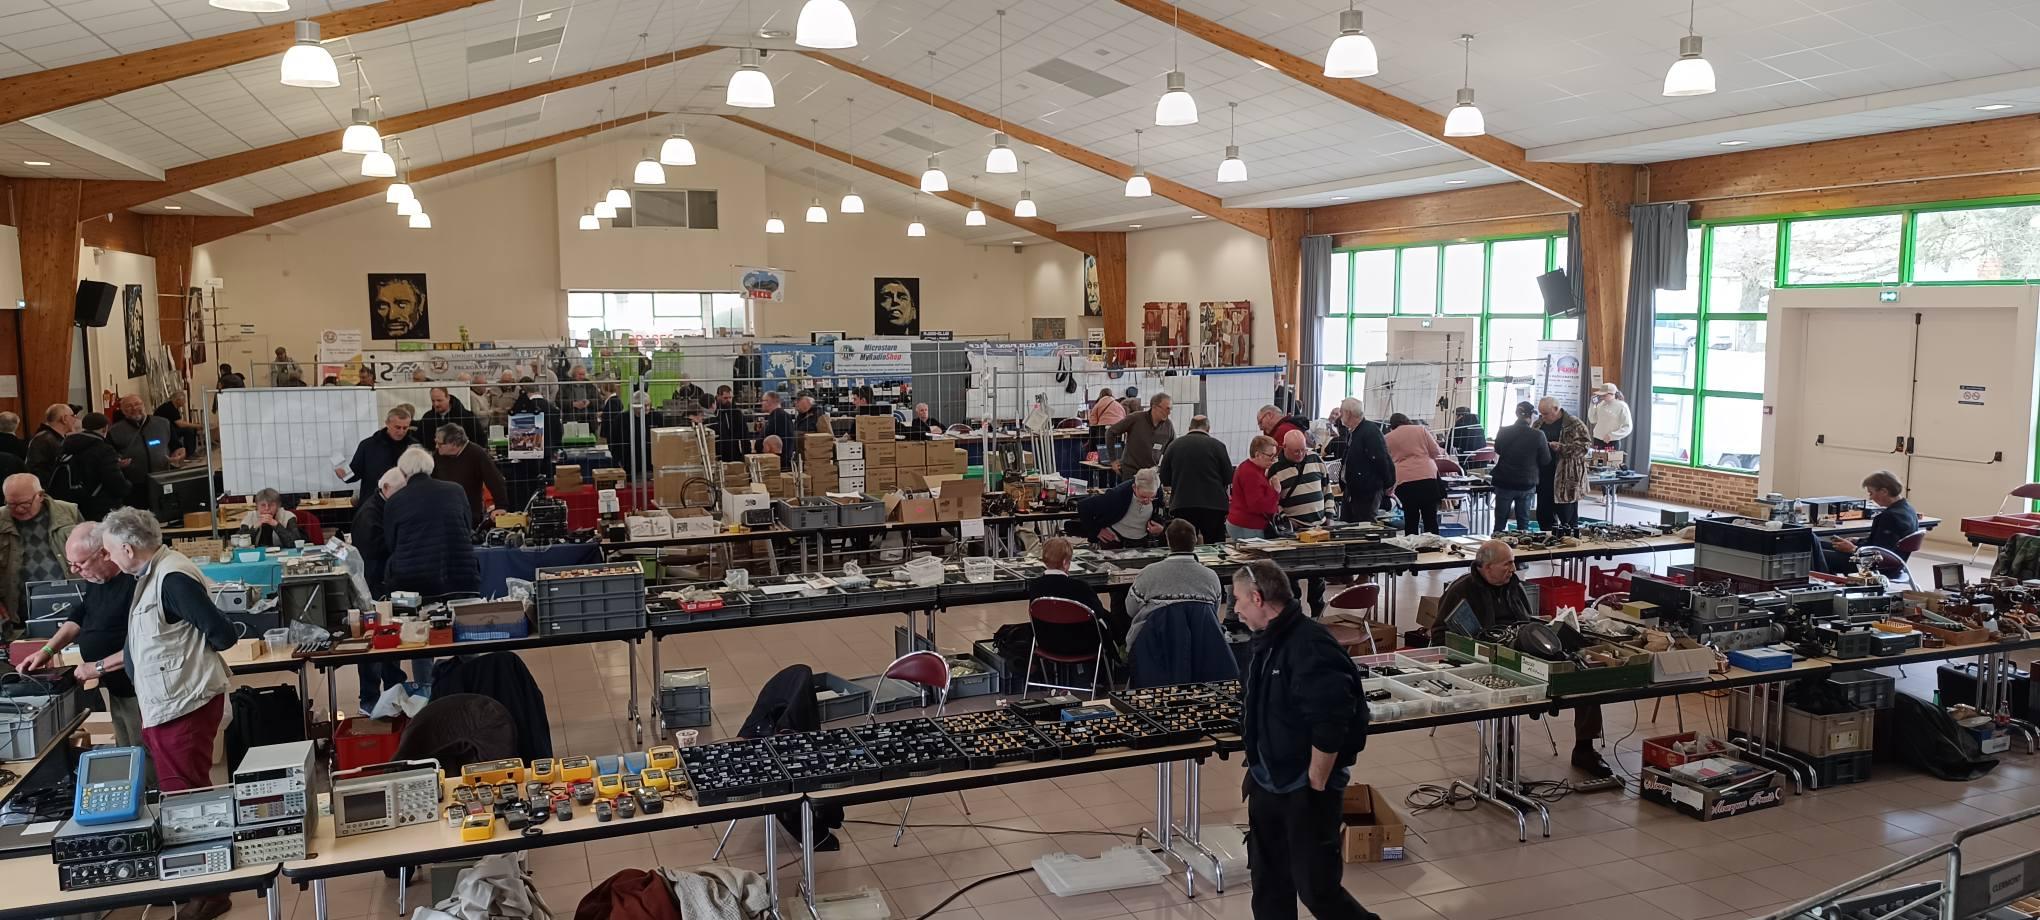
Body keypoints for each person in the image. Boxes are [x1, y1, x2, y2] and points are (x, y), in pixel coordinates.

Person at [97, 507, 240, 920]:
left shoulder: (172, 577)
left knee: (189, 800)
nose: (108, 557)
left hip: (184, 703)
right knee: (183, 795)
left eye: (108, 550)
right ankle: (202, 884)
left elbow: (223, 633)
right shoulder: (151, 573)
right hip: (168, 703)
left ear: (127, 549)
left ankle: (210, 891)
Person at [1232, 559, 1378, 920]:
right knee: (1268, 883)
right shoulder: (1266, 639)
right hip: (1269, 779)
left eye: (1238, 599)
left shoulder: (1309, 645)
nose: (1235, 608)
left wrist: (1315, 781)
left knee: (1317, 889)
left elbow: (1332, 719)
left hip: (1305, 786)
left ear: (1257, 598)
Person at [1435, 541, 1609, 777]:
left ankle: (1585, 748)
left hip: (1523, 647)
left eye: (1513, 563)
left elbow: (1528, 620)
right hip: (1488, 658)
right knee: (1501, 692)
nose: (1513, 569)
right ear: (1487, 567)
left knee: (1583, 675)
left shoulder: (1514, 585)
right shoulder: (1461, 590)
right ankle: (1504, 756)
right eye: (1507, 564)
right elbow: (1439, 634)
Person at [25, 523, 141, 750]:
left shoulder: (135, 583)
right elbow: (80, 615)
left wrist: (97, 667)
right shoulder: (98, 579)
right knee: (127, 751)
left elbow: (142, 645)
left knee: (144, 753)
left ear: (104, 553)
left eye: (80, 563)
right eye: (71, 563)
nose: (74, 571)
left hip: (139, 690)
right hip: (117, 687)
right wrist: (47, 650)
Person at [384, 447, 480, 600]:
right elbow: (467, 526)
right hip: (461, 577)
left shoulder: (395, 501)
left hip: (413, 582)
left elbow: (391, 543)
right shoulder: (456, 491)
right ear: (431, 467)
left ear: (402, 472)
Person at [351, 469, 408, 715]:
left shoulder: (383, 507)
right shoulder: (369, 514)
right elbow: (375, 551)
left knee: (390, 639)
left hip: (383, 584)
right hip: (373, 588)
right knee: (373, 644)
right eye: (400, 492)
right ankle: (369, 700)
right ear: (385, 488)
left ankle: (394, 691)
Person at [0, 474, 82, 633]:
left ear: (40, 495)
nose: (18, 509)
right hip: (16, 610)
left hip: (71, 599)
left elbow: (91, 551)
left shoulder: (68, 512)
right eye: (11, 504)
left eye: (25, 504)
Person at [1125, 519, 1222, 649]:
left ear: (1168, 542)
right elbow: (1213, 613)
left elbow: (1131, 610)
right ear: (1195, 541)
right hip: (1199, 647)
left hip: (1153, 647)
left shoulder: (1148, 573)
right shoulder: (1211, 577)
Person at [1027, 537, 1122, 658]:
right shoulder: (1080, 587)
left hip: (1047, 642)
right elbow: (1098, 613)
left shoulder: (1035, 586)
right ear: (1065, 563)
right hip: (1082, 644)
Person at [1818, 470, 1922, 574]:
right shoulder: (1909, 509)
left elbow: (1881, 554)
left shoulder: (1891, 517)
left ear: (1884, 491)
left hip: (1876, 566)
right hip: (1892, 564)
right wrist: (1858, 540)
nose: (1870, 497)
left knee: (1816, 554)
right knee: (1818, 545)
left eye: (1871, 493)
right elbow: (1884, 542)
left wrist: (1853, 549)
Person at [1156, 415, 1232, 543]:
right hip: (1214, 504)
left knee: (1184, 542)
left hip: (1183, 503)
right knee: (1215, 544)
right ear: (1208, 428)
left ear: (1189, 428)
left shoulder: (1174, 445)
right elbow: (1228, 476)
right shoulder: (1218, 446)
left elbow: (1164, 477)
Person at [108, 394, 184, 509]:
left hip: (162, 479)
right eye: (129, 406)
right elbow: (110, 456)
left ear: (143, 405)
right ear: (122, 411)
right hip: (134, 484)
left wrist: (179, 455)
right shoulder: (114, 431)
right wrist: (118, 462)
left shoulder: (163, 423)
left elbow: (177, 446)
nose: (134, 408)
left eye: (137, 404)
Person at [52, 413, 127, 521]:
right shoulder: (104, 449)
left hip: (73, 504)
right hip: (100, 507)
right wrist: (128, 486)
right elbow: (115, 482)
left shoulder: (66, 445)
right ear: (105, 428)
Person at [341, 405, 419, 505]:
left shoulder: (414, 447)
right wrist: (344, 474)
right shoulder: (368, 445)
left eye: (405, 428)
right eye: (397, 427)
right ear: (387, 423)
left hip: (404, 502)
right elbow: (355, 473)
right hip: (373, 502)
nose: (401, 431)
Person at [1491, 402, 1550, 533]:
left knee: (1500, 522)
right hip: (1526, 483)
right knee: (1523, 523)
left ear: (1516, 414)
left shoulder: (1503, 431)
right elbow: (1545, 460)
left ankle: (1496, 544)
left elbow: (1498, 450)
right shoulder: (1538, 435)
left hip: (1504, 481)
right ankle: (1522, 544)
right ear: (1531, 416)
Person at [433, 424, 508, 525]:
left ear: (454, 444)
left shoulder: (477, 454)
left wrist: (501, 506)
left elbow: (495, 480)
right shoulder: (439, 455)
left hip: (469, 513)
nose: (436, 447)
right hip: (443, 511)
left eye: (440, 444)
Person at [1385, 414, 1447, 536]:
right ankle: (1433, 545)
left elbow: (1388, 461)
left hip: (1404, 479)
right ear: (1407, 421)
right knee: (1430, 518)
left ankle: (1412, 545)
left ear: (1391, 426)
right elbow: (1435, 452)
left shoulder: (1387, 437)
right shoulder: (1421, 430)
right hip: (1428, 477)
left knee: (1410, 519)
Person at [1535, 397, 1591, 531]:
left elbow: (1584, 447)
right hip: (1544, 477)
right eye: (1541, 414)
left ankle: (1569, 541)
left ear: (1556, 409)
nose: (1543, 417)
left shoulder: (1574, 424)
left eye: (1546, 413)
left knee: (1567, 519)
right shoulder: (1538, 423)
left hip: (1566, 478)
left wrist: (1562, 448)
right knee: (1544, 516)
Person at [1073, 467, 1166, 546]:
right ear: (1134, 487)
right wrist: (1096, 531)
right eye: (1143, 497)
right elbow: (1083, 506)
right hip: (1115, 540)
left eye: (1152, 497)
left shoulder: (1157, 490)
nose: (1147, 501)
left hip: (1142, 540)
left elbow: (1160, 511)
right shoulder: (1117, 495)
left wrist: (1160, 526)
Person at [1334, 400, 1393, 525]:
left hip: (1366, 490)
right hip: (1353, 489)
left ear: (1348, 413)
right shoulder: (1355, 431)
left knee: (1364, 525)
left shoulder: (1369, 431)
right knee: (1347, 525)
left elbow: (1381, 459)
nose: (1340, 416)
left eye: (1342, 412)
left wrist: (1388, 483)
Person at [1227, 435, 1282, 541]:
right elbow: (1257, 505)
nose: (1273, 460)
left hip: (1242, 522)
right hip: (1248, 525)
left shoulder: (1249, 467)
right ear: (1257, 455)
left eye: (1275, 456)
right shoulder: (1251, 474)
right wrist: (1275, 491)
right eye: (1270, 456)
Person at [1108, 392, 1174, 475]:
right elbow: (1110, 432)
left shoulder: (1168, 426)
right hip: (1131, 471)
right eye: (1167, 409)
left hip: (1151, 473)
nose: (1169, 412)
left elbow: (1172, 449)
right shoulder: (1135, 418)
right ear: (1154, 407)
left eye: (1170, 409)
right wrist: (1113, 460)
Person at [236, 488, 303, 548]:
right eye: (263, 505)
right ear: (257, 506)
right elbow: (238, 543)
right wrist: (254, 528)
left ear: (278, 506)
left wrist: (276, 524)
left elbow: (295, 543)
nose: (267, 508)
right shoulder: (250, 517)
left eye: (271, 505)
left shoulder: (287, 516)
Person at [26, 404, 75, 482]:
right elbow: (36, 471)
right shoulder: (43, 440)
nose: (75, 420)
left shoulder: (54, 438)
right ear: (64, 419)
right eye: (73, 416)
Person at [419, 387, 485, 444]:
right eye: (433, 401)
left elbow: (480, 440)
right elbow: (421, 439)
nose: (436, 404)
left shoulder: (466, 417)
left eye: (439, 400)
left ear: (448, 398)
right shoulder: (427, 418)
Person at [154, 391, 202, 457]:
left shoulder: (173, 407)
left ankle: (191, 452)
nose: (185, 402)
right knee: (189, 430)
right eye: (183, 400)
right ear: (178, 400)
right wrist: (195, 425)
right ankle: (189, 454)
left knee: (191, 429)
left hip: (169, 429)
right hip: (164, 431)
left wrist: (194, 425)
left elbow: (179, 421)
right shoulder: (169, 408)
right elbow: (180, 424)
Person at [1587, 384, 1634, 451]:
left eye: (1604, 395)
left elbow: (1628, 427)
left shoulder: (1622, 406)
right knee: (1598, 458)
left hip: (1612, 441)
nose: (1602, 397)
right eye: (1601, 395)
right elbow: (1592, 419)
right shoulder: (1600, 405)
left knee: (1610, 458)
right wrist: (1592, 404)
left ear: (1612, 394)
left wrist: (1612, 436)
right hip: (1597, 440)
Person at [1088, 388, 1125, 462]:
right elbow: (1124, 417)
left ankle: (1102, 461)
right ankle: (1116, 462)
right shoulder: (1118, 404)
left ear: (1101, 394)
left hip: (1103, 429)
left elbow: (1092, 419)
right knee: (1116, 447)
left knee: (1102, 448)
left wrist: (1094, 427)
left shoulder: (1099, 403)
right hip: (1119, 429)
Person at [759, 390, 796, 462]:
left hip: (779, 461)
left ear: (769, 401)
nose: (761, 403)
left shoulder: (780, 416)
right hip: (774, 458)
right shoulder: (776, 416)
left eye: (763, 401)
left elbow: (786, 441)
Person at [711, 386, 745, 461]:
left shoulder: (737, 413)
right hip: (718, 452)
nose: (729, 400)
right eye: (725, 398)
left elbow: (744, 434)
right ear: (718, 397)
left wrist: (746, 454)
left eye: (730, 398)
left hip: (735, 452)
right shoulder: (714, 413)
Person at [560, 366, 600, 430]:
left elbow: (599, 401)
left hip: (589, 420)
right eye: (580, 374)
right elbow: (558, 401)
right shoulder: (565, 386)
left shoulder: (590, 386)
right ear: (573, 375)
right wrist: (573, 404)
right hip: (571, 420)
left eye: (583, 374)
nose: (582, 377)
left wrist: (589, 402)